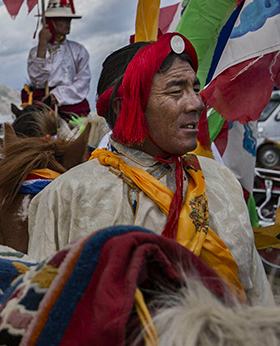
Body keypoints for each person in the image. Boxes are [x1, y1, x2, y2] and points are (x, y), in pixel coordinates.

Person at [28, 34, 273, 305]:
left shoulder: (222, 181)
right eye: (176, 91)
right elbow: (41, 316)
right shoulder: (65, 197)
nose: (196, 103)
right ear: (125, 107)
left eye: (194, 88)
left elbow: (258, 300)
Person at [25, 0, 91, 121]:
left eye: (68, 19)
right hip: (44, 104)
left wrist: (58, 95)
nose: (67, 23)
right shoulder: (35, 53)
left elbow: (83, 81)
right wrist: (42, 45)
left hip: (73, 104)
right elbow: (38, 81)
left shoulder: (79, 50)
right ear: (51, 22)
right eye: (62, 19)